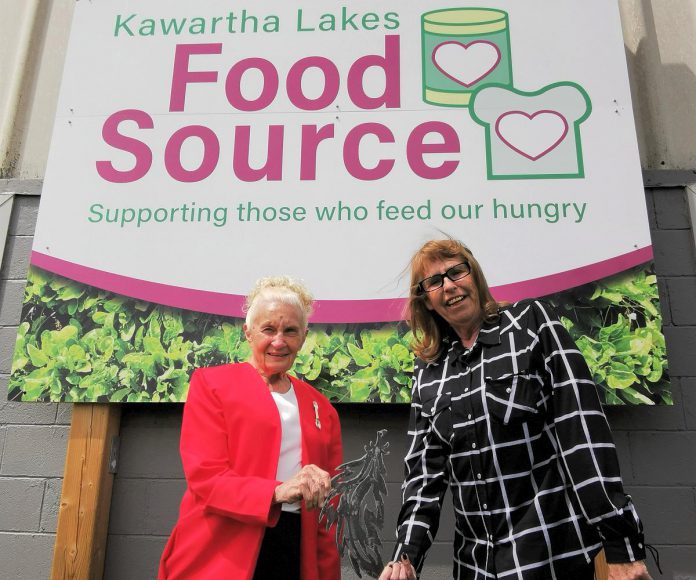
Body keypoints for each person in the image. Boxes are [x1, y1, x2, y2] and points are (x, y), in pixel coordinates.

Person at [380, 239, 651, 580]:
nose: (448, 285)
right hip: (475, 567)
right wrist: (405, 556)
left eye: (456, 272)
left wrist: (620, 544)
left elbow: (582, 436)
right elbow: (423, 478)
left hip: (552, 558)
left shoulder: (532, 325)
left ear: (473, 276)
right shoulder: (428, 370)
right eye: (434, 282)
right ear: (428, 301)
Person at [158, 276, 342, 580]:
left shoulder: (322, 407)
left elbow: (328, 506)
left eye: (290, 331)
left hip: (294, 550)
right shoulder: (212, 384)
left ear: (304, 336)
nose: (279, 341)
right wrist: (277, 491)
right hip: (220, 550)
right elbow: (206, 478)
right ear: (248, 333)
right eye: (268, 329)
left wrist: (326, 570)